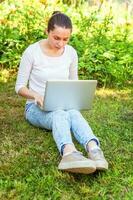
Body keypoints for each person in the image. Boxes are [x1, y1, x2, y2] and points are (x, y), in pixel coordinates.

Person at [15, 11, 108, 174]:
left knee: (72, 112)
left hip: (64, 105)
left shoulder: (71, 53)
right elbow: (19, 87)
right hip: (35, 108)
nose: (61, 43)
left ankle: (94, 150)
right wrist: (35, 96)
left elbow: (74, 83)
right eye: (56, 38)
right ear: (47, 32)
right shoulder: (32, 52)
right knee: (59, 114)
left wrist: (76, 98)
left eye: (66, 39)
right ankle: (68, 153)